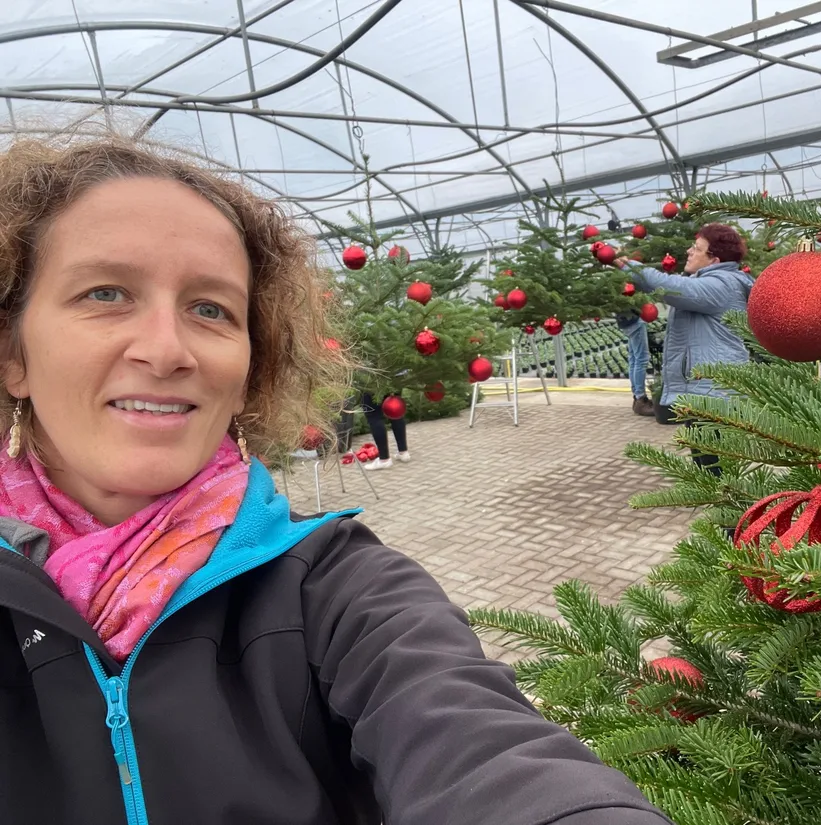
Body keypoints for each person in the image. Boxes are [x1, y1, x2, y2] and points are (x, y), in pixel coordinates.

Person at [0, 135, 673, 825]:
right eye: (105, 293)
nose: (168, 349)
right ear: (12, 353)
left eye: (211, 309)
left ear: (249, 373)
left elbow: (476, 744)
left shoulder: (335, 589)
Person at [615, 224, 754, 476]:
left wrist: (628, 266)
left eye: (697, 248)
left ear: (715, 258)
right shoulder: (712, 282)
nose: (689, 251)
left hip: (715, 393)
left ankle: (730, 513)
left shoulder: (721, 284)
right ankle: (722, 511)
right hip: (704, 390)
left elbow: (671, 286)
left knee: (717, 471)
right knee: (707, 466)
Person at [615, 309, 654, 415]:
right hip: (635, 321)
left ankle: (637, 397)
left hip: (626, 320)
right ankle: (641, 398)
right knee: (641, 359)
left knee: (634, 359)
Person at [360, 389, 409, 469]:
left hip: (371, 382)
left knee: (374, 416)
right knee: (395, 410)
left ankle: (384, 459)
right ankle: (403, 452)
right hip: (394, 379)